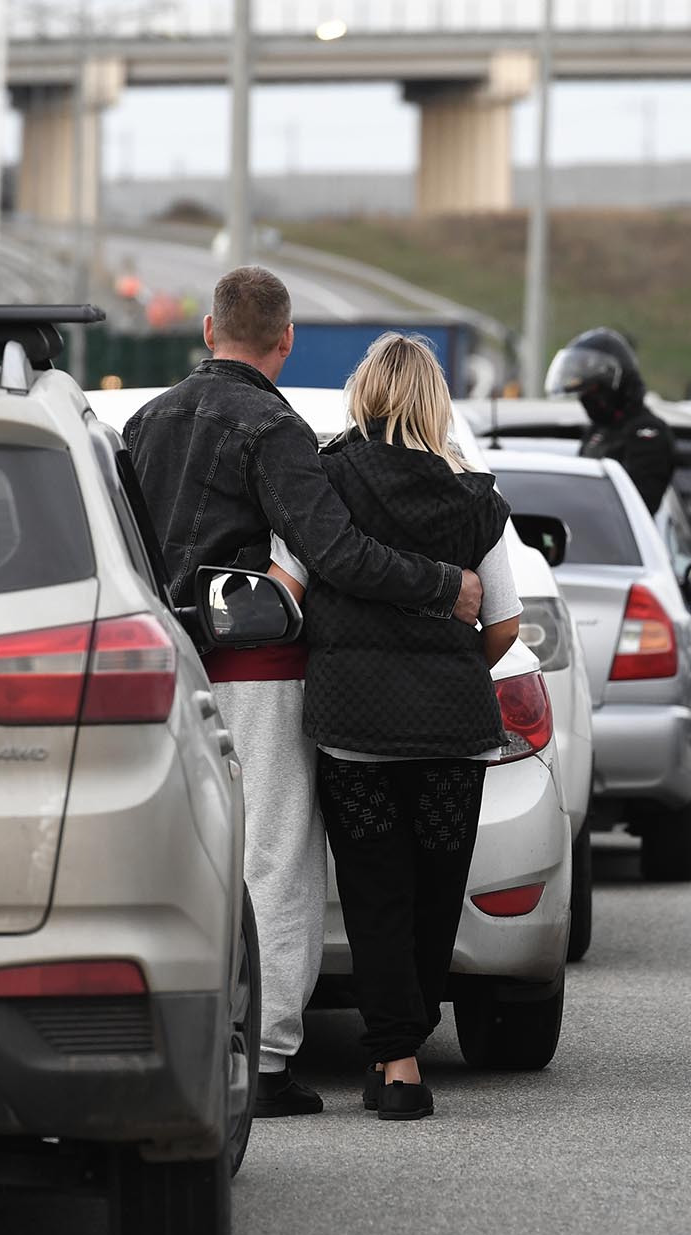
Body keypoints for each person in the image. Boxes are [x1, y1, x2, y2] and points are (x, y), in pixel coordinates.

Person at [124, 267, 484, 1119]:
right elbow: (337, 554)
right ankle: (269, 1056)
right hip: (258, 673)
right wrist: (445, 585)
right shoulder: (273, 426)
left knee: (178, 853)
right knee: (275, 860)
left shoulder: (142, 422)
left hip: (157, 667)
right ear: (284, 343)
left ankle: (177, 1032)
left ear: (209, 332)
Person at [268, 333, 519, 1122]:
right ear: (435, 400)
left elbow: (289, 589)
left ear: (366, 393)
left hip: (355, 728)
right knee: (436, 894)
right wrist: (450, 660)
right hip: (452, 728)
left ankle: (398, 1061)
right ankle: (405, 1045)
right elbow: (505, 624)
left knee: (376, 889)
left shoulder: (325, 482)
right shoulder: (475, 495)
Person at [546, 326, 675, 514]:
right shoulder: (598, 430)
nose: (586, 400)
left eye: (592, 392)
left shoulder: (647, 432)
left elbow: (638, 506)